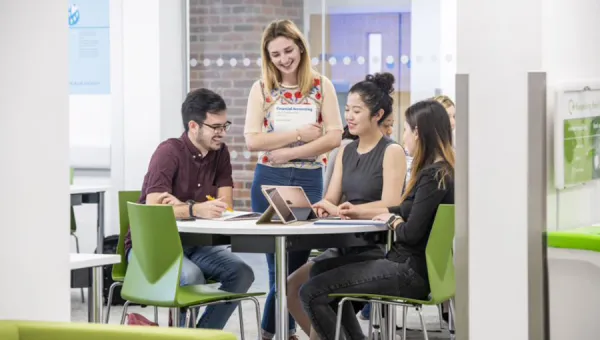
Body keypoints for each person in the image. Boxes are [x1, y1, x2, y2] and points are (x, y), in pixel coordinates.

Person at [299, 99, 455, 340]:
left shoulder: (433, 176)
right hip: (413, 268)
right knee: (320, 268)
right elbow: (406, 208)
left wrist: (393, 220)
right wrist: (361, 211)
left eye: (406, 129)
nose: (403, 136)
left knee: (310, 292)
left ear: (418, 132)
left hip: (408, 271)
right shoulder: (442, 172)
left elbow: (410, 232)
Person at [243, 19, 343, 340]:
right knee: (275, 267)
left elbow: (334, 137)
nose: (284, 59)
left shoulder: (320, 85)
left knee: (294, 265)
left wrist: (286, 152)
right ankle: (279, 334)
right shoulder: (261, 89)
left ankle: (274, 333)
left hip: (308, 180)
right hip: (268, 179)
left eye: (288, 50)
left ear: (300, 47)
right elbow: (253, 141)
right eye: (276, 54)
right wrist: (298, 134)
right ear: (267, 57)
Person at [287, 73, 407, 338]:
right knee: (292, 286)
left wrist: (353, 210)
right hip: (342, 245)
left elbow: (392, 204)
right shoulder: (345, 151)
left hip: (374, 249)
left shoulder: (391, 151)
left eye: (356, 110)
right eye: (347, 110)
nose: (349, 117)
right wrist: (322, 206)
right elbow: (332, 198)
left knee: (314, 289)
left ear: (377, 115)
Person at [123, 88, 255, 329]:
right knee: (191, 276)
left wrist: (183, 206)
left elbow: (224, 204)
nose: (222, 133)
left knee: (242, 273)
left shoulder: (220, 154)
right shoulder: (168, 152)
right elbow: (154, 206)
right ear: (193, 126)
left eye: (225, 125)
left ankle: (200, 334)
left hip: (196, 245)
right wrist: (195, 210)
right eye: (216, 127)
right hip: (152, 248)